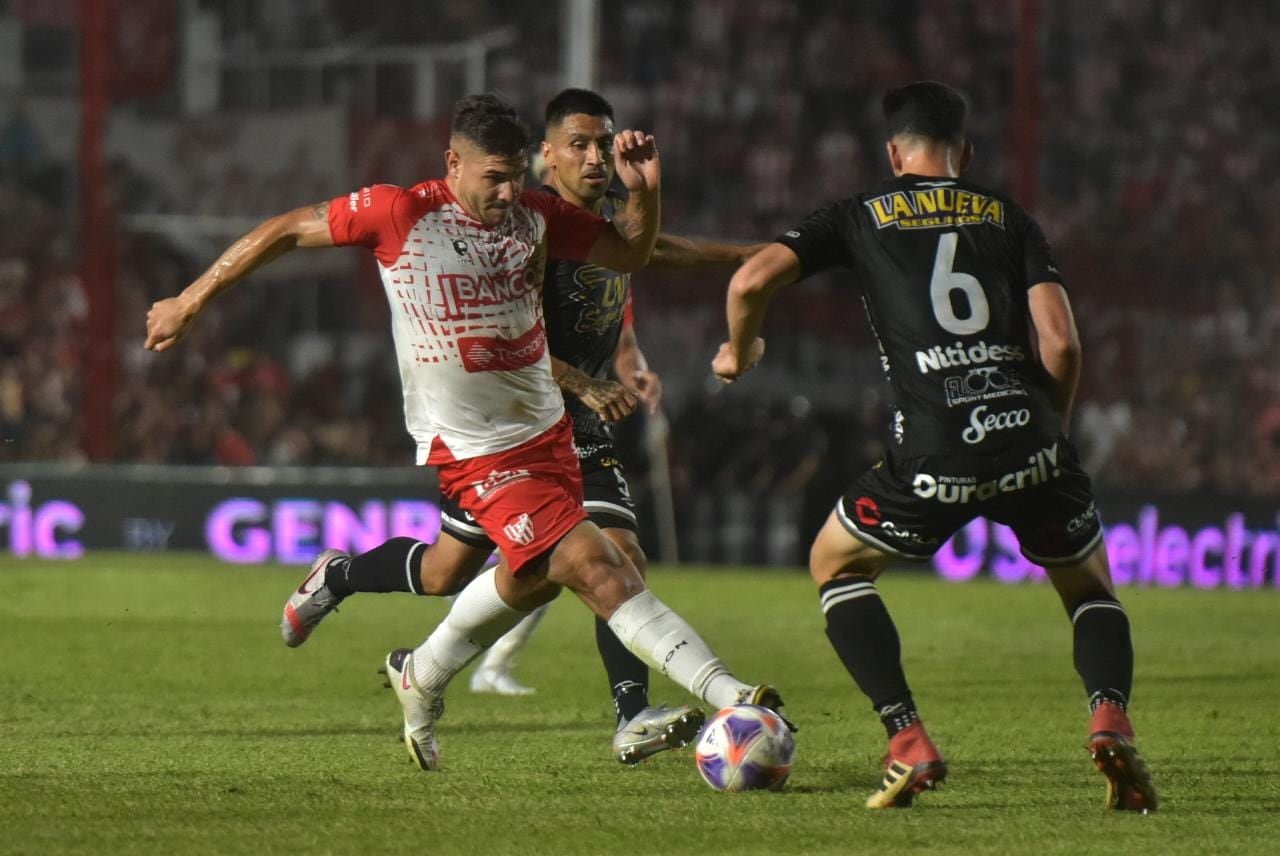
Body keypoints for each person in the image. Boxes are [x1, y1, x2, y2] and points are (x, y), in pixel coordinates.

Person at [145, 93, 788, 773]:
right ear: (453, 163)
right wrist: (190, 299)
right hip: (474, 448)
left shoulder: (536, 217)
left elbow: (630, 253)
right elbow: (283, 229)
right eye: (494, 178)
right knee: (601, 566)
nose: (510, 192)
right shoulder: (400, 213)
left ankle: (419, 667)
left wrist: (647, 192)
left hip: (545, 432)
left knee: (504, 576)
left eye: (517, 176)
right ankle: (735, 697)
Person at [711, 81, 1156, 812]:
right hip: (1029, 439)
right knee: (1088, 587)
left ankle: (906, 737)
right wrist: (1054, 433)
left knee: (836, 563)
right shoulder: (1009, 217)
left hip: (934, 449)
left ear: (893, 152)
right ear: (966, 153)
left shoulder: (858, 214)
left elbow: (752, 277)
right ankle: (1109, 716)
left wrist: (738, 350)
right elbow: (1063, 344)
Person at [442, 89, 762, 766]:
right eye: (580, 145)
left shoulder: (610, 227)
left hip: (581, 423)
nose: (595, 158)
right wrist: (586, 381)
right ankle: (365, 603)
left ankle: (632, 714)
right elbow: (510, 333)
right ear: (546, 157)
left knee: (616, 560)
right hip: (516, 423)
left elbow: (644, 264)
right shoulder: (527, 228)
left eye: (604, 144)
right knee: (446, 570)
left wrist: (752, 258)